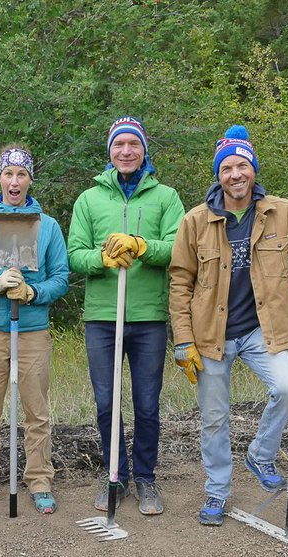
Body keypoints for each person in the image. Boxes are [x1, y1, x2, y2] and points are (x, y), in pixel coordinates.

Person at [169, 125, 288, 526]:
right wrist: (182, 339)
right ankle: (217, 492)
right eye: (227, 168)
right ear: (218, 175)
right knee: (214, 419)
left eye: (242, 166)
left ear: (253, 170)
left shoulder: (280, 212)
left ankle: (261, 454)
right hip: (210, 337)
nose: (235, 174)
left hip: (260, 331)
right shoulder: (196, 221)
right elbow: (180, 281)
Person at [67, 116, 184, 515]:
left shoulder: (166, 197)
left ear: (144, 150)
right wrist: (101, 258)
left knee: (147, 404)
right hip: (102, 317)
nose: (126, 151)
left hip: (148, 317)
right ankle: (114, 475)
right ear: (110, 151)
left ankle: (146, 478)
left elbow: (177, 247)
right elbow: (74, 254)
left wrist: (141, 246)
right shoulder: (89, 200)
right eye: (119, 145)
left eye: (133, 144)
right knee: (106, 402)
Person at [0, 144, 70, 516]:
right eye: (9, 174)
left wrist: (33, 292)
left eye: (22, 174)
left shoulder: (47, 227)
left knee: (37, 413)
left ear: (30, 179)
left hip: (33, 332)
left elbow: (61, 278)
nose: (14, 181)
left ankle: (39, 480)